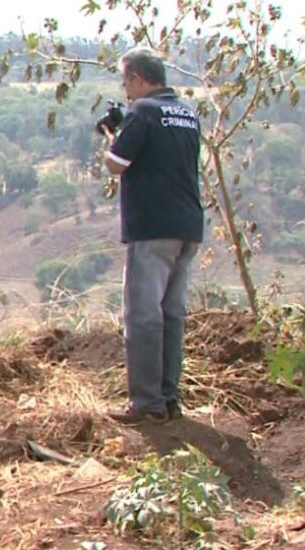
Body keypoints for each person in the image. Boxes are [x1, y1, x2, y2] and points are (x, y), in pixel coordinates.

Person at [100, 48, 204, 424]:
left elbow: (117, 164)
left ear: (138, 79)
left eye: (126, 82)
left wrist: (112, 134)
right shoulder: (188, 113)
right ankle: (169, 398)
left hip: (153, 228)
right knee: (171, 314)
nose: (126, 91)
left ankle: (145, 404)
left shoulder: (143, 112)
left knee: (143, 316)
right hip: (187, 226)